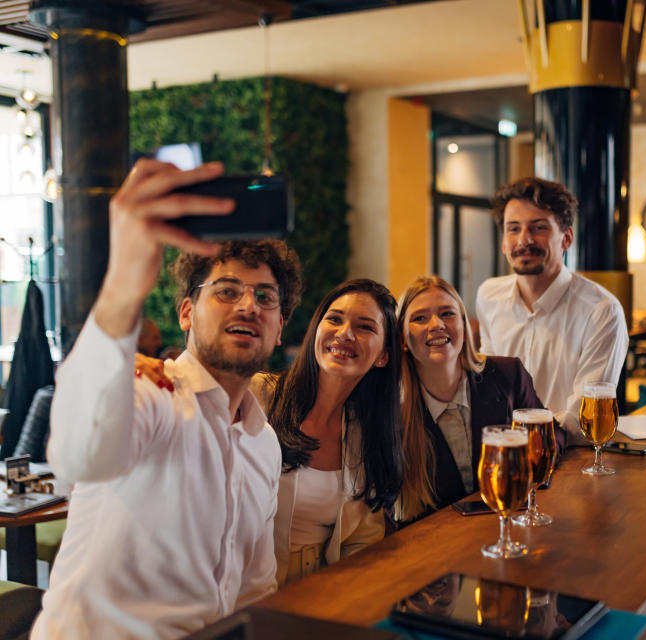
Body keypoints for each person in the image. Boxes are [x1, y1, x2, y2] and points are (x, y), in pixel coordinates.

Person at [34, 159, 303, 639]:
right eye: (227, 291)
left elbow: (254, 589)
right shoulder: (153, 394)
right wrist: (122, 289)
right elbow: (80, 456)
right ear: (186, 312)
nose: (248, 305)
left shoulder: (264, 443)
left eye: (266, 297)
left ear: (280, 325)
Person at [267, 278, 404, 586]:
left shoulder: (367, 434)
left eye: (365, 327)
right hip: (242, 596)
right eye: (335, 319)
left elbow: (363, 542)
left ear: (383, 356)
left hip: (322, 594)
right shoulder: (258, 398)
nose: (345, 334)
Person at [475, 177, 628, 437]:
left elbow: (583, 416)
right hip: (503, 451)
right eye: (513, 229)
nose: (524, 240)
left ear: (566, 238)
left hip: (570, 458)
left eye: (539, 228)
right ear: (503, 242)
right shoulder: (489, 296)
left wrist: (525, 439)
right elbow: (489, 385)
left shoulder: (601, 311)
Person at [395, 275, 544, 522]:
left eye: (447, 314)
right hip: (436, 547)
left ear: (465, 327)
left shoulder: (509, 375)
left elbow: (552, 439)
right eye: (420, 318)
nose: (436, 324)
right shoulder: (392, 410)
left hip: (511, 527)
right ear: (402, 340)